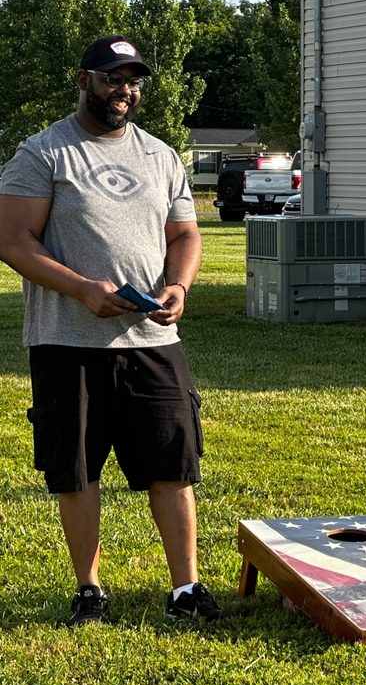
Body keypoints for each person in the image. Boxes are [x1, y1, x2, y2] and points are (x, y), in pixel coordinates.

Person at [0, 35, 222, 626]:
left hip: (153, 341)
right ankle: (90, 589)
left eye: (132, 80)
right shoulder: (44, 153)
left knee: (173, 464)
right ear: (83, 80)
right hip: (66, 340)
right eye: (110, 77)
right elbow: (11, 240)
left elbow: (185, 236)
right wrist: (82, 290)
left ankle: (185, 588)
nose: (123, 89)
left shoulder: (162, 156)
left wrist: (179, 287)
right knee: (76, 468)